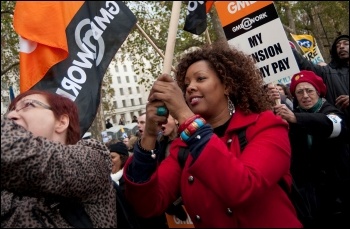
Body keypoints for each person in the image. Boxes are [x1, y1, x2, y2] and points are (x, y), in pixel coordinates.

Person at [123, 42, 302, 227]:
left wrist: (185, 116)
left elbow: (243, 188)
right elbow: (147, 205)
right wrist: (150, 136)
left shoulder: (266, 125)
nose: (190, 87)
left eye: (200, 79)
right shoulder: (183, 147)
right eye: (186, 84)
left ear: (227, 85)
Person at [1, 90, 116, 228]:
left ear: (61, 122)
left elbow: (19, 153)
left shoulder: (93, 159)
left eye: (28, 105)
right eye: (11, 110)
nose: (11, 115)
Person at [274, 70, 350, 228]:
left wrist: (297, 118)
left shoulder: (331, 111)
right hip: (310, 197)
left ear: (319, 93)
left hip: (339, 192)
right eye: (299, 92)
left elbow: (335, 125)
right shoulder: (290, 117)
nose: (305, 96)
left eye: (309, 90)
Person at [292, 34, 349, 135]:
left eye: (346, 44)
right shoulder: (327, 72)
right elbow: (304, 64)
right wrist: (289, 50)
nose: (341, 47)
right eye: (338, 45)